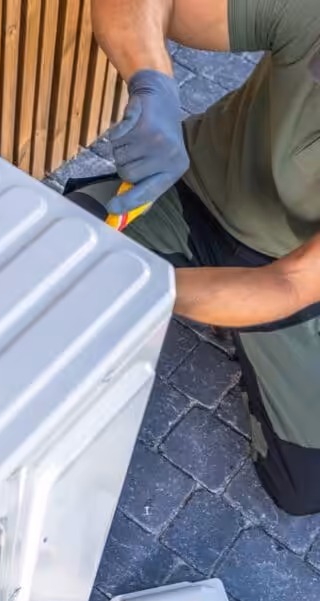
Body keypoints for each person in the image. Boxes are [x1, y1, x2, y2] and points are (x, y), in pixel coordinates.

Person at [68, 0, 320, 515]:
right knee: (55, 253)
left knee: (304, 483)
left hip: (286, 269)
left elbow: (290, 284)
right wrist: (153, 83)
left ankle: (250, 332)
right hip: (187, 188)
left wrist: (148, 288)